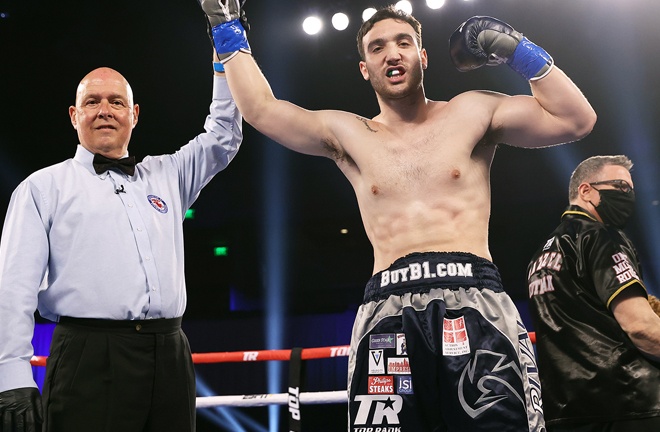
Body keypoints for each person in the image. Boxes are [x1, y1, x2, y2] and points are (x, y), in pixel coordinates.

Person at [200, 1, 596, 430]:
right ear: (364, 68)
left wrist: (517, 50)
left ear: (422, 57)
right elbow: (261, 108)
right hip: (387, 313)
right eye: (378, 47)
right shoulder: (349, 132)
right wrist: (225, 28)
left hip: (474, 301)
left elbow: (576, 120)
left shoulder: (473, 111)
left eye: (404, 43)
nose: (392, 53)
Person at [0, 52, 243, 430]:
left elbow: (224, 135)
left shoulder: (168, 175)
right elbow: (13, 289)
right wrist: (11, 376)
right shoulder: (42, 188)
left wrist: (226, 57)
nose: (105, 110)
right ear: (74, 115)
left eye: (117, 102)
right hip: (87, 354)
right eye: (91, 102)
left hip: (170, 352)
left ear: (134, 115)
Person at [527, 155, 660, 432]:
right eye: (620, 186)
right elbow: (641, 328)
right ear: (585, 190)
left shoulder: (539, 257)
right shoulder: (600, 237)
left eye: (630, 189)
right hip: (626, 400)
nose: (628, 195)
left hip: (566, 410)